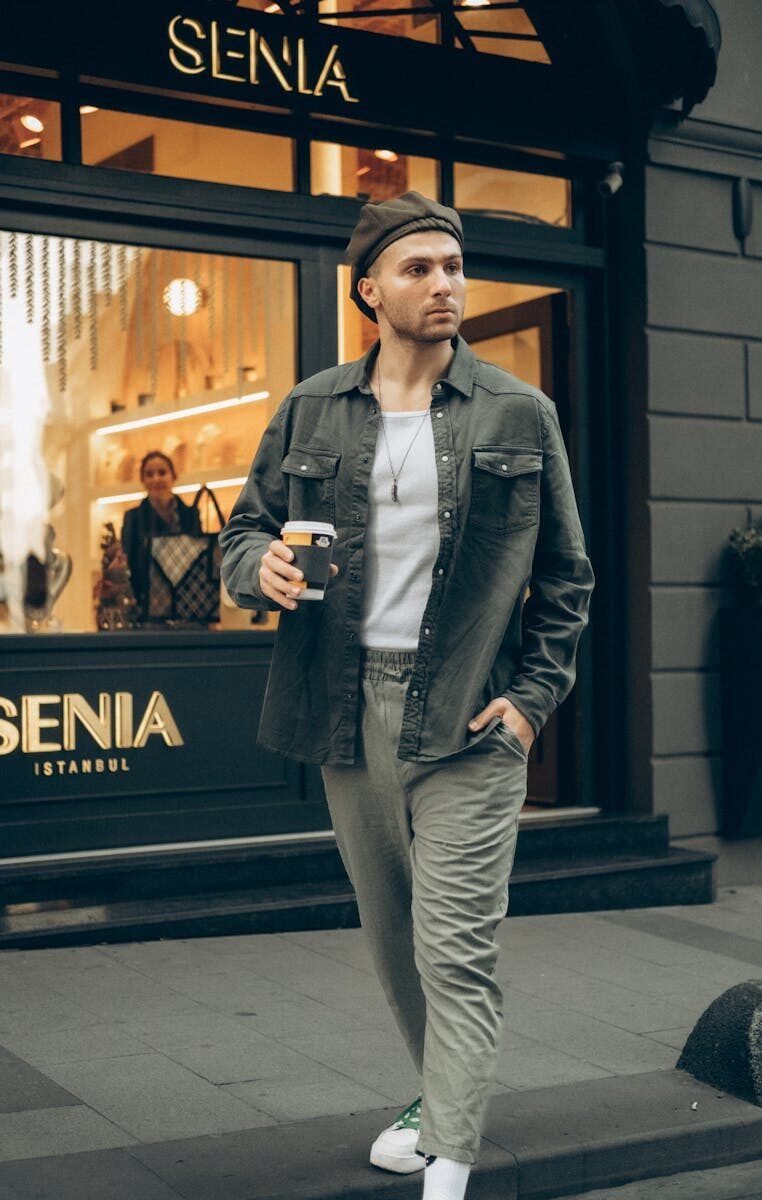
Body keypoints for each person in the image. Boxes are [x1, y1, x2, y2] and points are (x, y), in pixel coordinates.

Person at [220, 192, 594, 1200]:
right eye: (419, 268)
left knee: (454, 951)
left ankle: (450, 1167)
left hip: (469, 718)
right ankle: (435, 1102)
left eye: (452, 266)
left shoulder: (519, 412)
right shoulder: (310, 407)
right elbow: (241, 534)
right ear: (368, 289)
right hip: (345, 713)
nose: (444, 285)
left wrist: (528, 701)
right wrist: (260, 571)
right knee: (394, 945)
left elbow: (566, 577)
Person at [121, 450, 201, 618]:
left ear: (173, 476)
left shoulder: (190, 515)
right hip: (147, 607)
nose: (156, 478)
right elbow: (129, 563)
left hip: (189, 604)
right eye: (149, 474)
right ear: (143, 480)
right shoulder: (133, 518)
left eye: (162, 472)